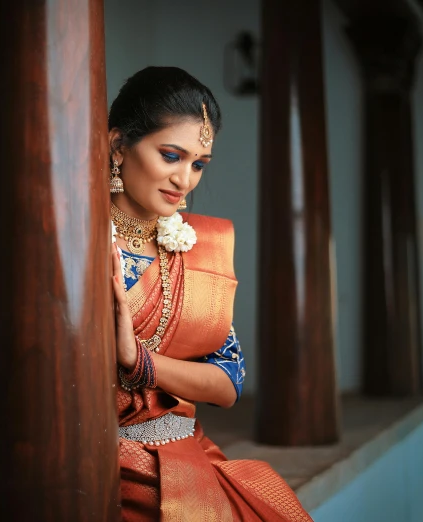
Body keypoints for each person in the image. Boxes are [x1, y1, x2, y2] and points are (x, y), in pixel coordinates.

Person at [109, 66, 313, 521]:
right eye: (170, 155)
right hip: (102, 463)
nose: (185, 180)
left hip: (186, 452)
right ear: (118, 146)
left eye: (197, 163)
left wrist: (139, 361)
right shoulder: (79, 243)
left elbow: (227, 383)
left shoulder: (199, 248)